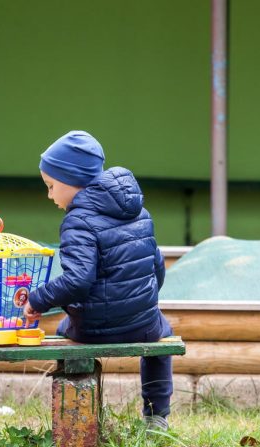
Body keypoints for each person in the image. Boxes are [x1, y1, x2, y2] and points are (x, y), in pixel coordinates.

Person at [23, 131, 174, 430]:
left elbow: (78, 280)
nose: (50, 195)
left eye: (51, 186)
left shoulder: (78, 220)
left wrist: (38, 299)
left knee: (66, 328)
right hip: (142, 323)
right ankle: (156, 416)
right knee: (162, 334)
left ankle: (76, 416)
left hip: (95, 329)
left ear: (71, 181)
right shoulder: (140, 211)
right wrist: (141, 301)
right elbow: (156, 266)